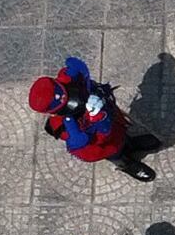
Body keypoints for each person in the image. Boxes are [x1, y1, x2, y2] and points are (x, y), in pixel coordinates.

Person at [30, 57, 162, 181]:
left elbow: (73, 72)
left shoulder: (65, 83)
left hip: (114, 124)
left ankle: (131, 144)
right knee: (116, 153)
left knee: (122, 135)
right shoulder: (66, 129)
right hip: (105, 144)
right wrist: (100, 121)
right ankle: (126, 164)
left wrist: (75, 70)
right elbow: (98, 139)